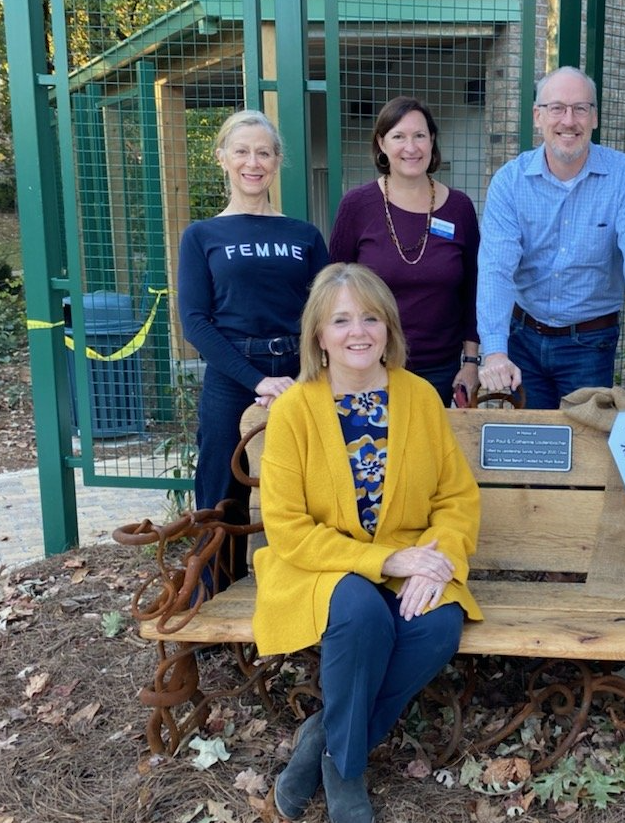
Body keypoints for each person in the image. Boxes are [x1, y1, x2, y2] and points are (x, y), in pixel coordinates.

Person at [252, 262, 482, 823]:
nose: (359, 331)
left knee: (437, 626)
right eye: (342, 320)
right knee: (360, 613)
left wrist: (435, 561)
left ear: (389, 329)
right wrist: (383, 559)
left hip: (410, 557)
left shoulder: (420, 397)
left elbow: (455, 498)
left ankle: (324, 742)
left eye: (371, 317)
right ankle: (348, 770)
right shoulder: (293, 410)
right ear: (319, 336)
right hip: (317, 564)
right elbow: (287, 527)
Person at [178, 109, 329, 591]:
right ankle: (213, 598)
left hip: (300, 371)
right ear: (222, 157)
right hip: (233, 374)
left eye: (263, 152)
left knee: (313, 481)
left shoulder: (303, 235)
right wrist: (257, 381)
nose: (253, 162)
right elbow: (196, 323)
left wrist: (307, 373)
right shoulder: (201, 236)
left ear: (277, 161)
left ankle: (312, 590)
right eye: (241, 151)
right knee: (222, 489)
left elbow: (326, 310)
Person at [476, 66, 625, 409]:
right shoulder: (510, 182)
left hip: (590, 344)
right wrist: (495, 352)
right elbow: (496, 270)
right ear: (538, 116)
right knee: (530, 448)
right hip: (522, 340)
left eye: (580, 108)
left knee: (584, 448)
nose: (568, 120)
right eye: (557, 108)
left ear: (594, 118)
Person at [329, 97, 480, 406]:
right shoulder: (356, 206)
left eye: (419, 136)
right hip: (370, 363)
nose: (410, 147)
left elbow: (473, 291)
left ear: (432, 140)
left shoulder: (460, 208)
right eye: (398, 136)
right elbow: (332, 290)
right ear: (382, 143)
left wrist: (471, 363)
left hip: (441, 369)